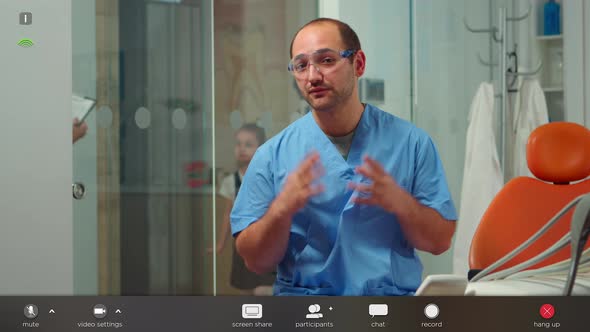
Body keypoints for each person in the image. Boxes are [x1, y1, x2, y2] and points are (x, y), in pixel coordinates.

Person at [230, 18, 457, 296]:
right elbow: (254, 260)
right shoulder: (272, 155)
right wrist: (282, 209)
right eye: (301, 66)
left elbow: (439, 241)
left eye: (326, 60)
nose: (312, 76)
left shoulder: (412, 144)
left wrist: (401, 203)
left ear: (358, 64)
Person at [216, 123, 275, 295]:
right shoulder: (230, 181)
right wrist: (221, 244)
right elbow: (228, 214)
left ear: (261, 148)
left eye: (248, 144)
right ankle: (250, 321)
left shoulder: (269, 176)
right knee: (245, 290)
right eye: (238, 144)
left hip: (265, 243)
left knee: (263, 288)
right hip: (242, 244)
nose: (242, 148)